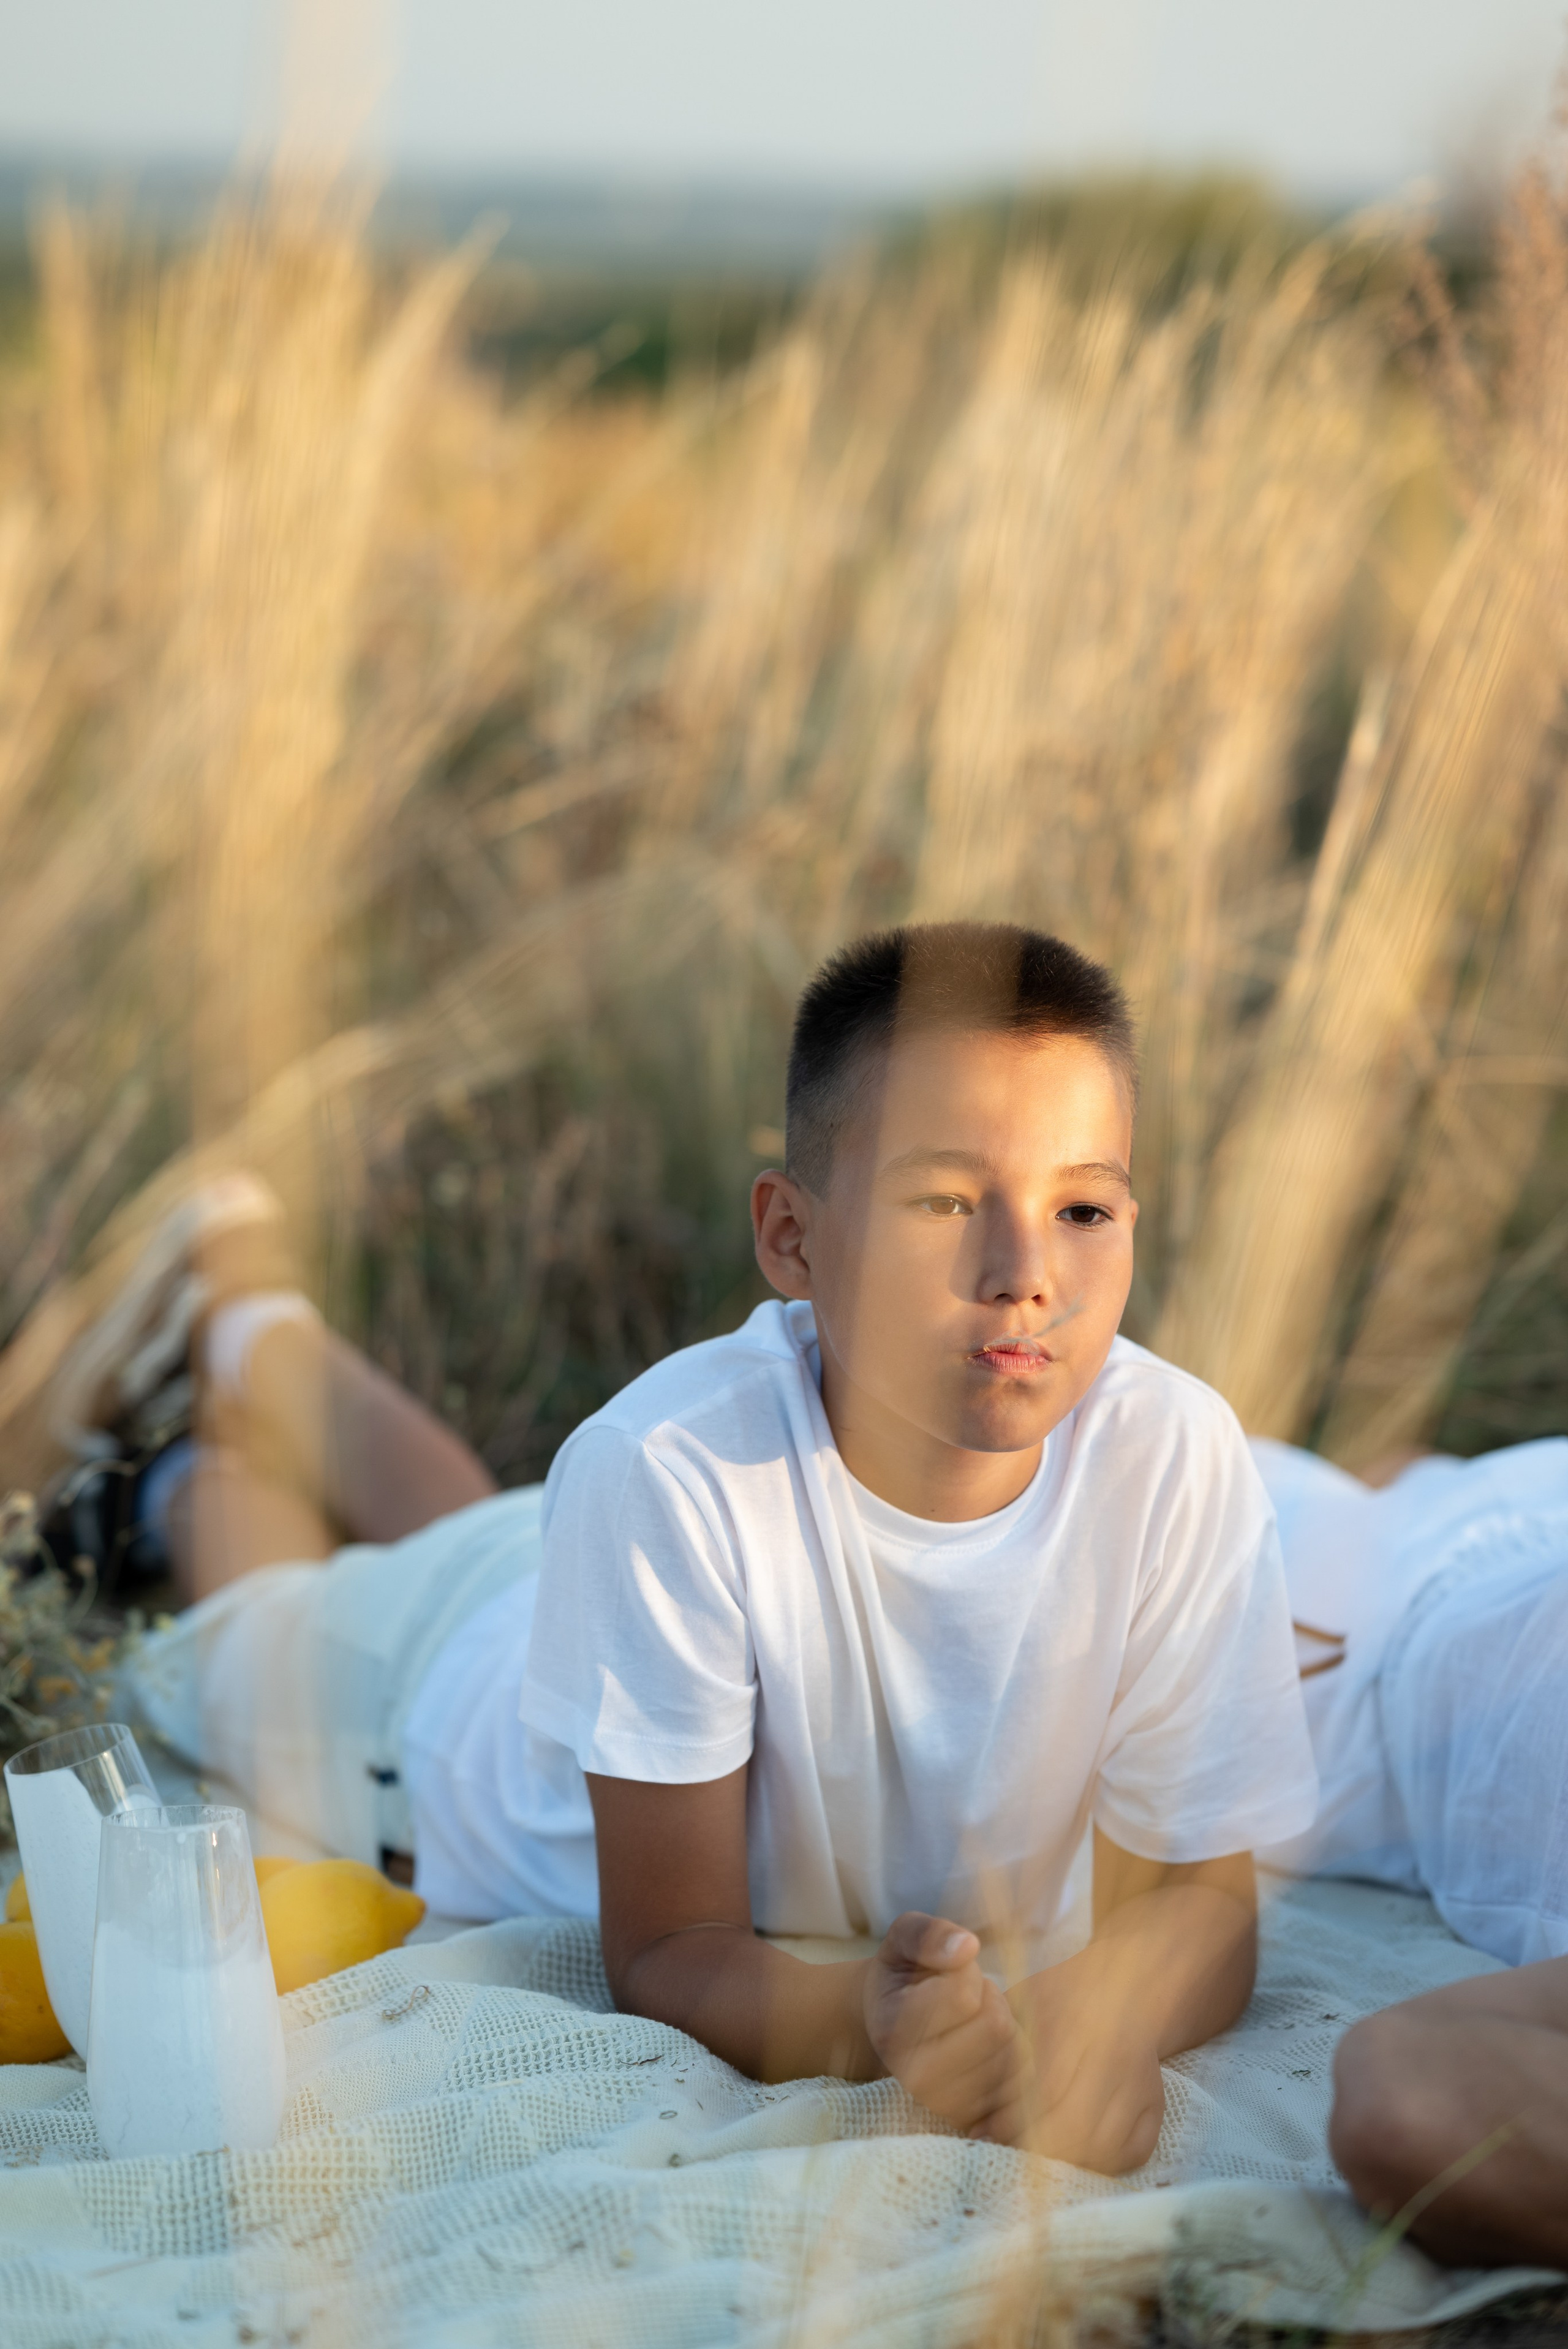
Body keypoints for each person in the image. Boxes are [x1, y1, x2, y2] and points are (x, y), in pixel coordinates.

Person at [53, 921, 1317, 2173]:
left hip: (566, 1581)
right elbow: (664, 1946)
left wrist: (1074, 2034)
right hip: (427, 1713)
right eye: (943, 1200)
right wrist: (862, 2023)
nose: (1023, 1273)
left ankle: (230, 1319)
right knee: (247, 1603)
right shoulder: (666, 1468)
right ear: (789, 1237)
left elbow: (1199, 1906)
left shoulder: (1175, 1456)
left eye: (1083, 1205)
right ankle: (173, 1470)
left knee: (477, 1521)